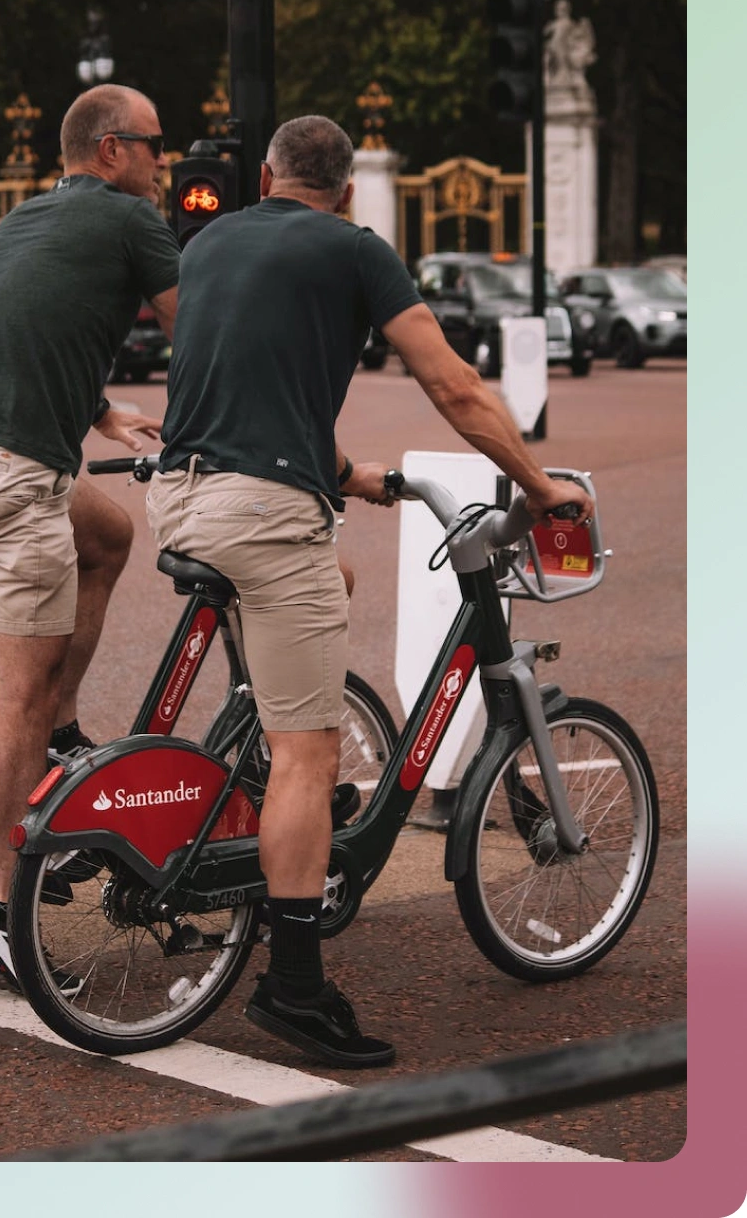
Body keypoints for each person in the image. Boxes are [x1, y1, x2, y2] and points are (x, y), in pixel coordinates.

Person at [146, 114, 594, 1069]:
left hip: (181, 500)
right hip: (262, 514)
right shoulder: (357, 249)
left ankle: (258, 759)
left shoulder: (212, 235)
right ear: (347, 190)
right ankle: (296, 988)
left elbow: (239, 371)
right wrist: (541, 481)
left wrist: (340, 468)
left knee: (330, 580)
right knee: (309, 757)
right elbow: (455, 387)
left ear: (264, 175)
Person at [0, 83, 179, 986]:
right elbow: (199, 334)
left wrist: (99, 412)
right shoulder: (134, 221)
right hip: (10, 470)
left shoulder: (30, 216)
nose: (166, 162)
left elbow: (12, 327)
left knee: (104, 531)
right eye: (154, 145)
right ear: (110, 149)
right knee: (18, 691)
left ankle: (58, 736)